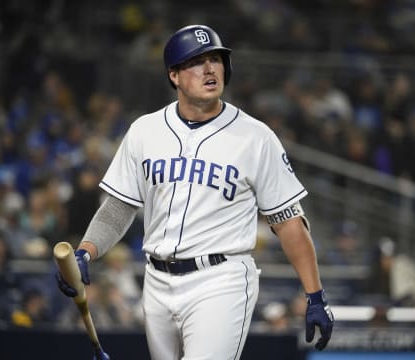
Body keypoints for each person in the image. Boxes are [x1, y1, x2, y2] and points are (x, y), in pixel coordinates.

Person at [56, 24, 334, 359]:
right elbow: (119, 207)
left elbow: (289, 221)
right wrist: (86, 252)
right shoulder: (145, 131)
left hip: (221, 280)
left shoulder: (256, 137)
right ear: (173, 75)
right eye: (196, 62)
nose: (209, 68)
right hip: (156, 281)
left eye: (215, 59)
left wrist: (315, 295)